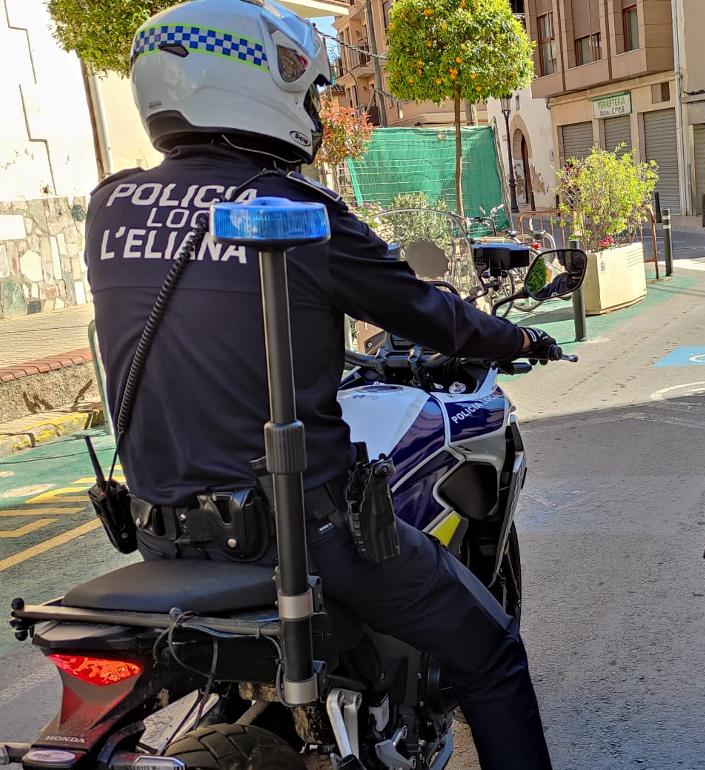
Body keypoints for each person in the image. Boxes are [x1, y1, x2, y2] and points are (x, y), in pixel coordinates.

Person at [83, 2, 555, 768]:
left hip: (163, 531)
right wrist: (525, 337)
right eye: (305, 94)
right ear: (253, 84)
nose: (312, 113)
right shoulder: (298, 211)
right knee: (494, 652)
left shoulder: (110, 207)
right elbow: (433, 314)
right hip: (303, 537)